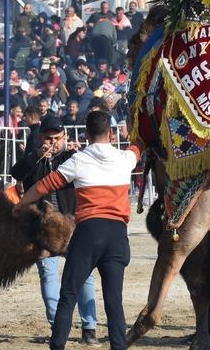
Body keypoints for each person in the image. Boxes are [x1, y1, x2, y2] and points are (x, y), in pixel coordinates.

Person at [14, 111, 140, 350]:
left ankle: (58, 344)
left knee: (69, 293)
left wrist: (20, 204)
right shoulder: (126, 158)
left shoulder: (78, 160)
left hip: (88, 232)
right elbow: (138, 147)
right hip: (117, 235)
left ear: (86, 134)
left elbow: (43, 186)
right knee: (114, 300)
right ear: (111, 134)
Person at [10, 116, 99, 346]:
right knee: (48, 274)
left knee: (85, 276)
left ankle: (89, 328)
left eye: (56, 138)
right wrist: (35, 157)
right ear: (41, 138)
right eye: (48, 138)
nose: (52, 143)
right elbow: (16, 172)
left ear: (65, 137)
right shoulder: (34, 158)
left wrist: (79, 150)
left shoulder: (74, 158)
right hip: (43, 229)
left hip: (73, 225)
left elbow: (93, 165)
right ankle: (56, 325)